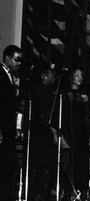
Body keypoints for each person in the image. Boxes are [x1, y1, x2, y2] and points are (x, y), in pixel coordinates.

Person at [50, 68, 90, 200]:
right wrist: (58, 136)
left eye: (81, 76)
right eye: (77, 75)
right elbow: (56, 118)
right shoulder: (63, 95)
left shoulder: (84, 97)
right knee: (67, 167)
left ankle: (81, 194)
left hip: (81, 137)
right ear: (71, 77)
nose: (79, 78)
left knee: (82, 167)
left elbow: (86, 119)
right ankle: (65, 194)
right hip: (68, 135)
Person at [30, 65, 58, 201]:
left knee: (44, 169)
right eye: (51, 74)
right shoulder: (42, 92)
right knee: (43, 169)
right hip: (42, 136)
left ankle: (41, 194)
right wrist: (52, 132)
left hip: (41, 135)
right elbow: (44, 116)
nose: (54, 77)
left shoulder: (47, 92)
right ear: (44, 76)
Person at [0, 45, 23, 200]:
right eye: (16, 59)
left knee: (7, 168)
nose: (19, 63)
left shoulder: (9, 76)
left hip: (7, 130)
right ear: (7, 58)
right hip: (2, 130)